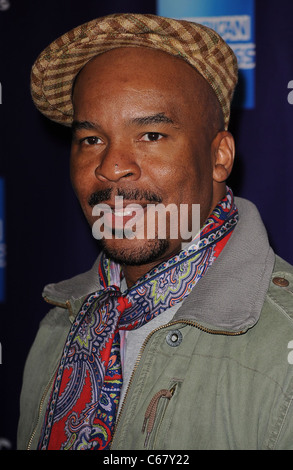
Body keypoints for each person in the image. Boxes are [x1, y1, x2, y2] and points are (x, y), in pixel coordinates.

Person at [18, 13, 293, 451]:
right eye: (91, 140)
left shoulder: (284, 350)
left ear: (219, 157)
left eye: (150, 134)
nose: (110, 166)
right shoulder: (60, 324)